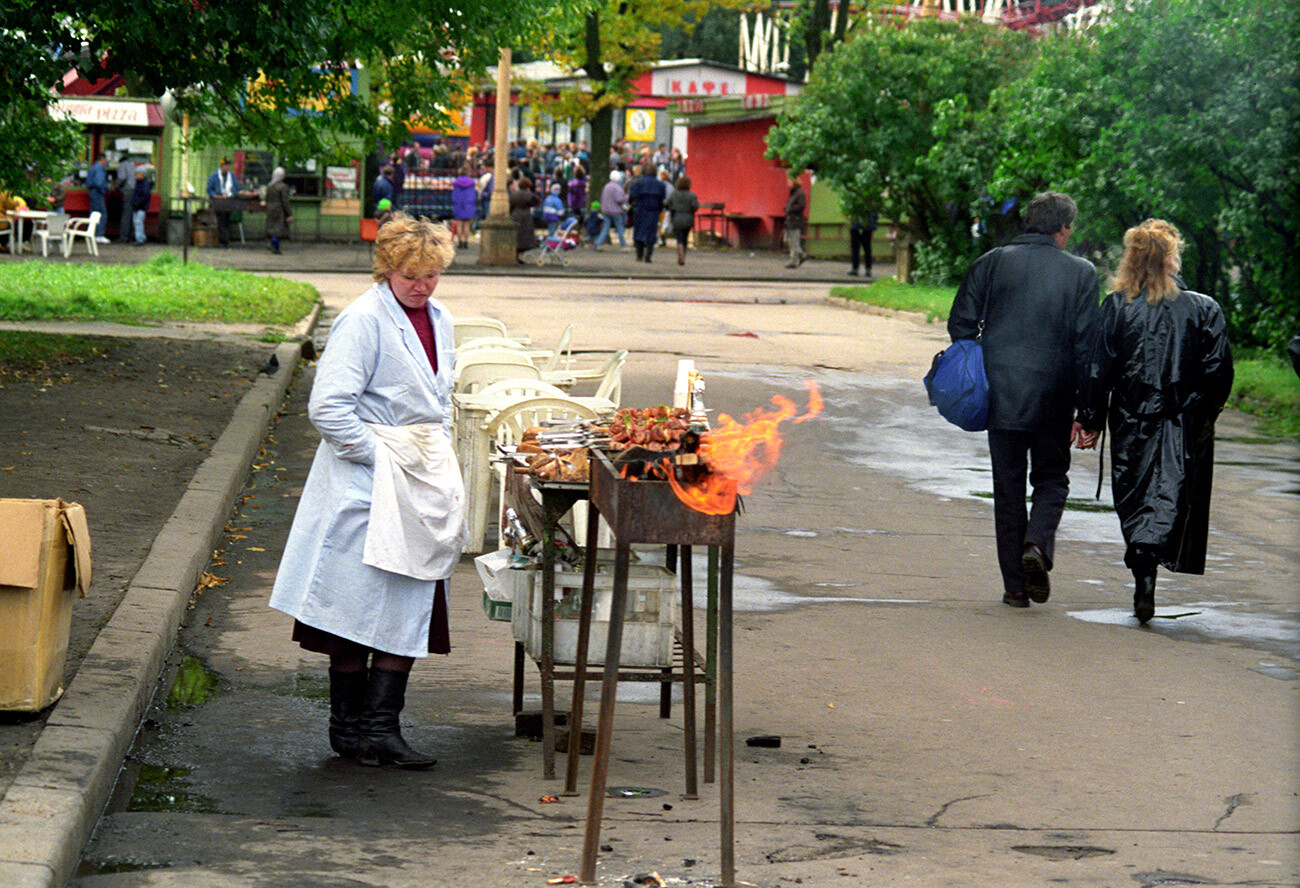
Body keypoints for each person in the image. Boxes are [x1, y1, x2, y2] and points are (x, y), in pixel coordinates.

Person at [268, 214, 466, 770]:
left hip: (420, 480)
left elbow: (437, 399)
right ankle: (349, 732)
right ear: (386, 269)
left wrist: (436, 468)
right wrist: (383, 459)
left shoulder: (441, 318)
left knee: (409, 600)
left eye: (431, 276)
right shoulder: (362, 320)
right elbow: (328, 408)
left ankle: (381, 729)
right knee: (353, 608)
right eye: (411, 276)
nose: (421, 286)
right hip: (367, 479)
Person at [948, 191, 1101, 609]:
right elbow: (1088, 347)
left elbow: (960, 323)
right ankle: (1036, 544)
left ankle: (1015, 588)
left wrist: (985, 360)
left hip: (1001, 396)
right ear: (1063, 227)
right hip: (1055, 397)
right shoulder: (1082, 274)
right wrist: (1089, 412)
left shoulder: (992, 262)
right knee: (1052, 478)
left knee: (1008, 488)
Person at [1075, 219, 1233, 624]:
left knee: (1135, 497)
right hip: (1181, 420)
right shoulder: (1203, 308)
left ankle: (1143, 570)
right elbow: (1218, 373)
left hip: (1131, 418)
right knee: (1171, 496)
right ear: (1170, 259)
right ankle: (1148, 569)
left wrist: (1090, 417)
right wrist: (1200, 415)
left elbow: (1098, 366)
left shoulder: (1116, 306)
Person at [627, 164, 666, 263]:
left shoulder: (638, 183)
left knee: (639, 231)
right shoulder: (660, 185)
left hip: (641, 210)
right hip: (653, 211)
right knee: (651, 233)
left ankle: (639, 254)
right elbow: (662, 199)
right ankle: (648, 255)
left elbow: (633, 196)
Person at [663, 175, 699, 266]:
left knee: (679, 238)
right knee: (685, 238)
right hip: (688, 217)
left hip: (677, 217)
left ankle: (680, 254)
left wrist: (671, 209)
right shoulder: (692, 195)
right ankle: (684, 255)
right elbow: (695, 206)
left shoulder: (674, 194)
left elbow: (666, 203)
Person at [206, 158, 240, 247]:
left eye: (228, 165)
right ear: (222, 166)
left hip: (228, 201)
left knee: (226, 220)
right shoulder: (214, 176)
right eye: (225, 165)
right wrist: (215, 195)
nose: (227, 167)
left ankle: (225, 240)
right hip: (218, 201)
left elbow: (236, 187)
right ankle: (222, 241)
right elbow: (209, 188)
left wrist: (231, 194)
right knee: (220, 220)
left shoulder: (231, 176)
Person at [509, 177, 540, 260]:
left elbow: (510, 205)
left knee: (516, 236)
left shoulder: (513, 194)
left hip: (515, 215)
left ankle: (515, 255)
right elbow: (535, 202)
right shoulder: (529, 195)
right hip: (526, 216)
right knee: (525, 237)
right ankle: (520, 256)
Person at [264, 166, 293, 254]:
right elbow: (285, 201)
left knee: (271, 228)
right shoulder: (283, 187)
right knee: (278, 229)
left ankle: (272, 242)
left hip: (270, 208)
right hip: (279, 209)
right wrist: (289, 214)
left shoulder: (269, 186)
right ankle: (275, 246)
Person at [594, 174, 627, 250]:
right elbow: (619, 199)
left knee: (606, 228)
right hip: (616, 211)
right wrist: (626, 198)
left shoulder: (607, 186)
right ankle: (623, 245)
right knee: (620, 228)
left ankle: (599, 243)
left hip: (606, 210)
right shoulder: (617, 187)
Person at [450, 165, 477, 248]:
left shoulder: (455, 182)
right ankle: (466, 242)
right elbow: (473, 194)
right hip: (468, 204)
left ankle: (460, 242)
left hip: (458, 204)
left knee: (459, 224)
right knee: (467, 224)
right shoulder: (471, 182)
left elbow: (454, 195)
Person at [783, 173, 807, 268]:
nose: (787, 183)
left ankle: (793, 260)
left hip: (795, 220)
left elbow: (801, 206)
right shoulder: (793, 193)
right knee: (787, 240)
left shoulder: (799, 193)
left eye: (789, 181)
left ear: (794, 182)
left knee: (793, 241)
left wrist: (790, 209)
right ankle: (802, 255)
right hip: (790, 220)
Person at [87, 154, 110, 244]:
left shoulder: (93, 167)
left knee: (93, 213)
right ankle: (99, 235)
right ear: (103, 160)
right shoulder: (100, 168)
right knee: (101, 214)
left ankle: (91, 233)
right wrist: (105, 189)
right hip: (98, 193)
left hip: (92, 192)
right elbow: (99, 182)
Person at [849, 212, 878, 278]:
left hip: (866, 229)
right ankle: (855, 269)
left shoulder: (870, 205)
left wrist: (870, 223)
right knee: (855, 250)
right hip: (855, 228)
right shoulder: (855, 204)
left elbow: (875, 216)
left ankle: (868, 269)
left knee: (867, 250)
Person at [116, 155, 136, 244]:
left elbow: (122, 177)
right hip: (134, 190)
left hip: (127, 190)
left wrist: (116, 186)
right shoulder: (132, 165)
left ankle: (123, 237)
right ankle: (131, 235)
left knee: (126, 214)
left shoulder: (122, 165)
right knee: (131, 214)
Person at [129, 168, 152, 245]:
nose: (136, 175)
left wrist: (137, 202)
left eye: (137, 174)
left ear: (142, 174)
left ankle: (139, 239)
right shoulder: (143, 183)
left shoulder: (143, 184)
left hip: (140, 206)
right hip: (139, 206)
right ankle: (141, 238)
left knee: (138, 222)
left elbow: (145, 195)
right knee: (138, 222)